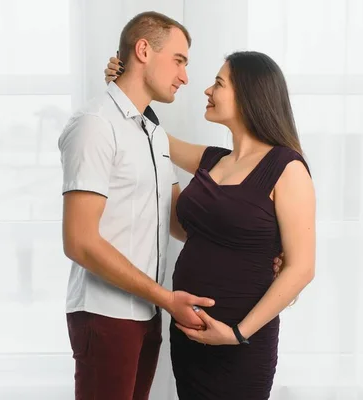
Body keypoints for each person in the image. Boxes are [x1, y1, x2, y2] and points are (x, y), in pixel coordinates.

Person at [59, 11, 283, 400]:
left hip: (147, 315)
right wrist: (166, 298)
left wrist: (263, 251)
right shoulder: (96, 125)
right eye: (179, 60)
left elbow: (183, 221)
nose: (185, 77)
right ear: (143, 50)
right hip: (108, 313)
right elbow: (78, 241)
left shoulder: (152, 135)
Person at [105, 50, 316, 399]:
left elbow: (301, 268)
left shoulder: (286, 167)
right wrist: (124, 85)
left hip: (241, 343)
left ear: (250, 94)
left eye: (218, 83)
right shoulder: (213, 159)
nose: (207, 90)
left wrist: (236, 333)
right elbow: (155, 137)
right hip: (189, 332)